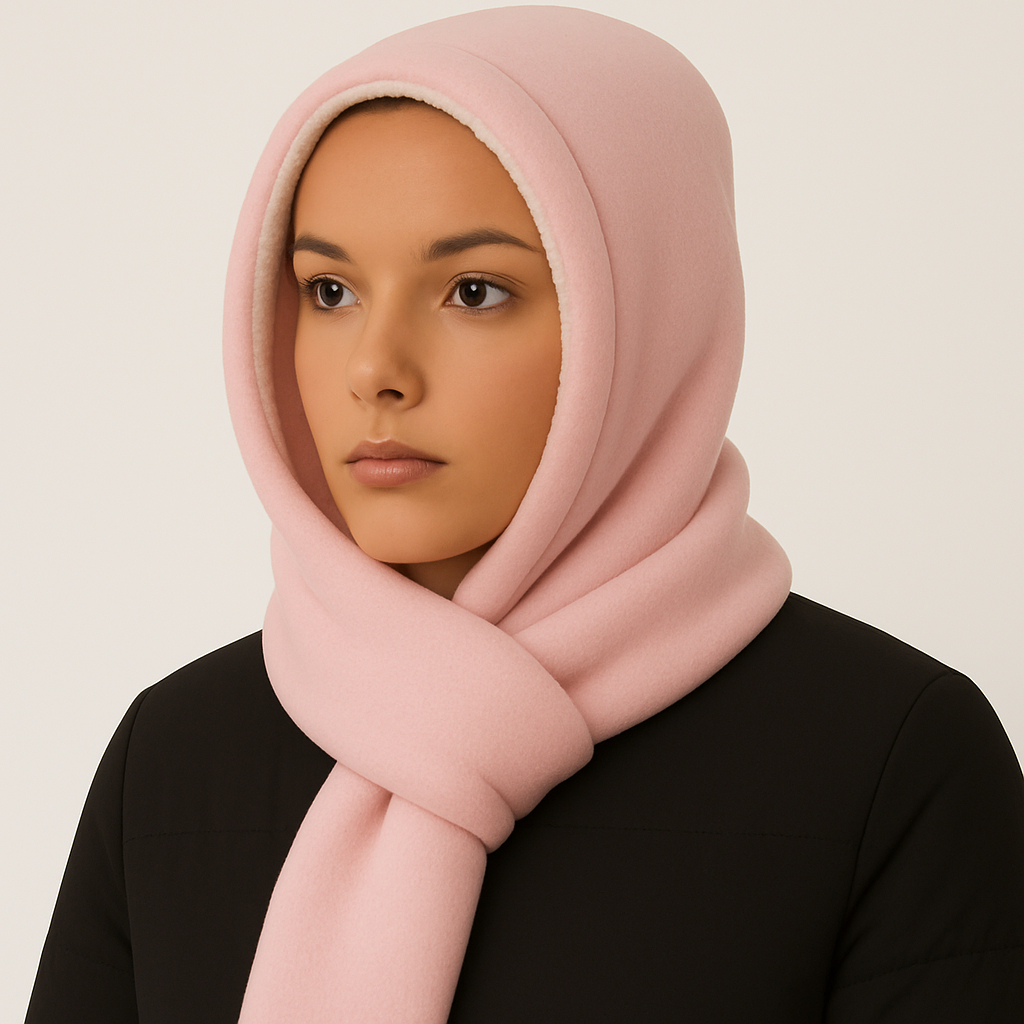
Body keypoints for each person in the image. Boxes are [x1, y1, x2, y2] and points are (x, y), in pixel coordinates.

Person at [25, 7, 1024, 1023]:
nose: (375, 369)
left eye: (472, 290)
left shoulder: (889, 759)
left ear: (645, 316)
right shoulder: (176, 756)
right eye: (328, 291)